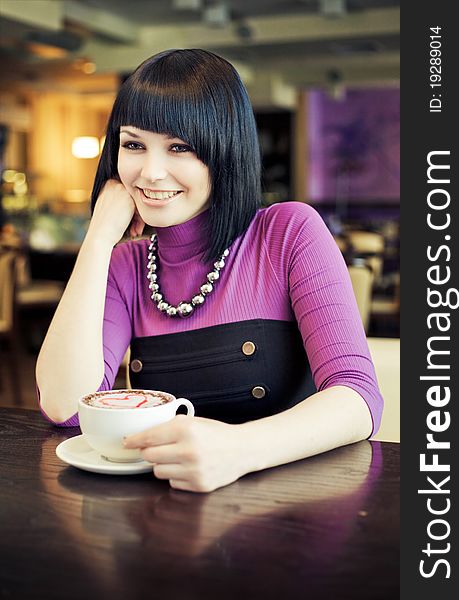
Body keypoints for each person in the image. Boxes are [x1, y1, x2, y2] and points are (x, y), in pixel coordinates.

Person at [36, 49, 383, 492]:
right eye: (134, 144)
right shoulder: (126, 264)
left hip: (290, 511)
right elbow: (66, 406)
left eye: (180, 147)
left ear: (225, 152)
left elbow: (358, 398)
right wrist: (99, 237)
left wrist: (237, 450)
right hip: (167, 516)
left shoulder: (288, 233)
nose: (151, 172)